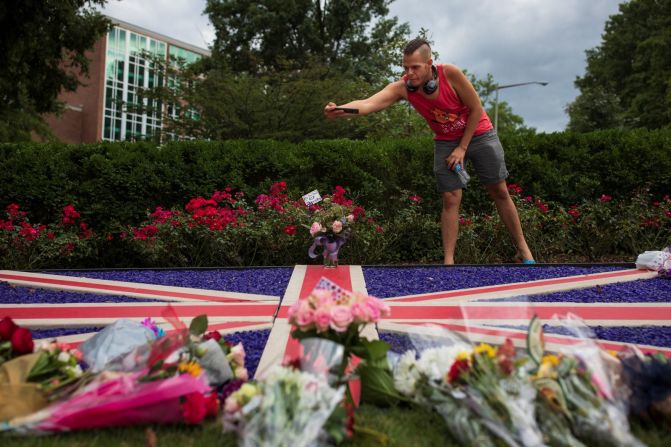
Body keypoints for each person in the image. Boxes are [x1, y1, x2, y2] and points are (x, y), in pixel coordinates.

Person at [324, 37, 535, 265]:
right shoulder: (403, 88)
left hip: (480, 133)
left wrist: (462, 148)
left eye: (415, 67)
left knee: (499, 191)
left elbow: (476, 109)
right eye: (405, 67)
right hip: (446, 140)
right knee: (450, 197)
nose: (410, 73)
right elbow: (368, 103)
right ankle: (449, 261)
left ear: (429, 63)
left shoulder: (450, 74)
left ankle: (524, 250)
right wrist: (341, 110)